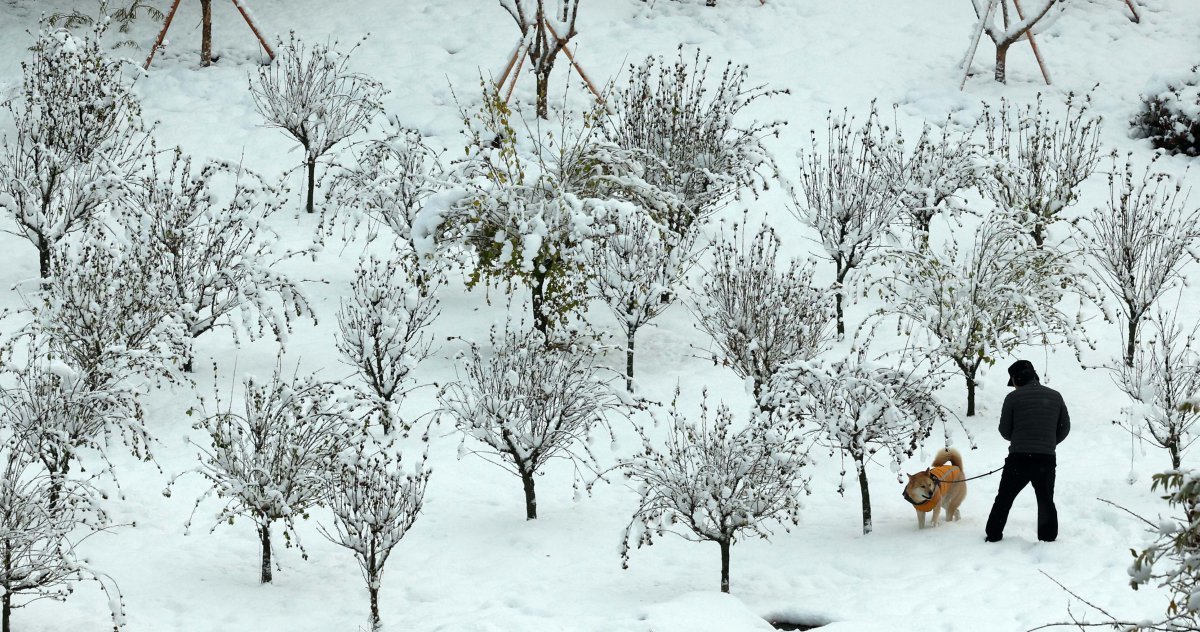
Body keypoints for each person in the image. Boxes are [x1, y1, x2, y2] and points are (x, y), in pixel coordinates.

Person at [984, 359, 1070, 543]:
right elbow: (1064, 429)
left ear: (1016, 379)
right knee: (1046, 500)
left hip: (1018, 459)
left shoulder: (1013, 398)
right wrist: (1047, 443)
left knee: (1004, 498)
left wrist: (1021, 440)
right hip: (1045, 460)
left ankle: (993, 535)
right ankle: (1047, 540)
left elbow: (1004, 431)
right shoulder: (1055, 396)